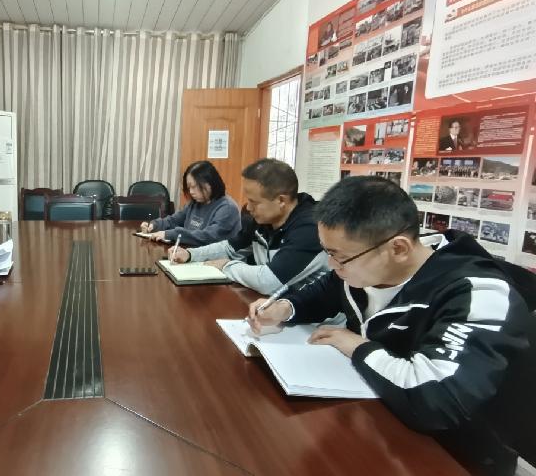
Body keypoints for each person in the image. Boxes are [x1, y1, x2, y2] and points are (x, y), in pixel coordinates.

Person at [248, 176, 535, 475]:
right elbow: (326, 290)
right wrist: (286, 307)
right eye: (328, 252)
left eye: (339, 257)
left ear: (398, 249)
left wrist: (359, 347)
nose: (332, 265)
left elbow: (436, 399)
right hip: (375, 418)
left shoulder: (477, 293)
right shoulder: (366, 266)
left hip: (452, 452)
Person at [168, 158, 327, 295]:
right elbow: (229, 247)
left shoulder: (310, 228)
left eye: (254, 202)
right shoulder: (261, 220)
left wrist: (226, 266)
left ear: (281, 201)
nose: (248, 208)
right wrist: (190, 254)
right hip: (272, 306)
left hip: (312, 317)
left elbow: (268, 281)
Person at [140, 160, 240, 247]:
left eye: (194, 186)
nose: (191, 192)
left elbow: (208, 237)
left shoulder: (227, 208)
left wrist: (171, 234)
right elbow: (173, 220)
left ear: (210, 183)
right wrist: (154, 225)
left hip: (214, 259)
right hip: (188, 253)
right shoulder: (194, 204)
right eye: (189, 188)